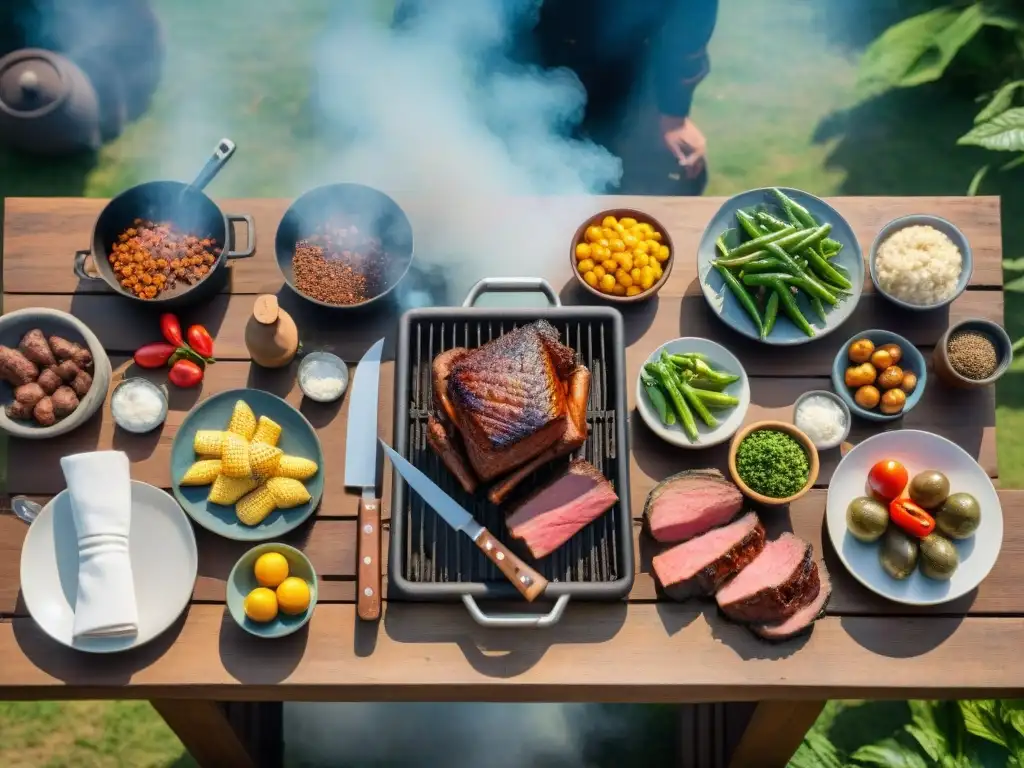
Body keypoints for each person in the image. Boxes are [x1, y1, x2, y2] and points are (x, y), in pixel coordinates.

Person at [394, 0, 720, 195]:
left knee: (659, 185)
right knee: (499, 184)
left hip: (623, 63)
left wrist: (673, 111)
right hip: (511, 61)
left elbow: (691, 9)